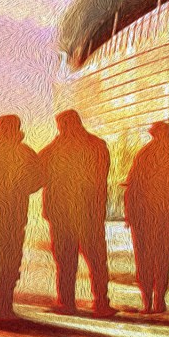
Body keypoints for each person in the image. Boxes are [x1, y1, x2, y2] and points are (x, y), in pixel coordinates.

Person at [39, 110, 116, 317]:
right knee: (97, 260)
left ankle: (67, 303)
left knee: (65, 260)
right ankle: (101, 303)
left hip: (63, 214)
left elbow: (37, 173)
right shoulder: (97, 145)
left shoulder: (56, 149)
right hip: (89, 213)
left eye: (61, 126)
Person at [124, 122, 169, 314]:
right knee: (162, 259)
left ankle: (148, 302)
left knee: (144, 259)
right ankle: (158, 301)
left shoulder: (144, 155)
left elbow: (133, 187)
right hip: (164, 218)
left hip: (145, 218)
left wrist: (130, 214)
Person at [0, 115, 43, 320]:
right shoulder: (23, 152)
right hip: (10, 216)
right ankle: (3, 306)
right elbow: (38, 179)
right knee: (7, 260)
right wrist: (20, 188)